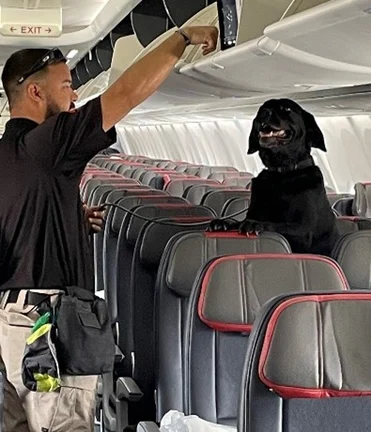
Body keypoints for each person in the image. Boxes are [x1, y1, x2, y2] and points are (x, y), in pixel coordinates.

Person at [0, 26, 218, 432]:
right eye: (66, 85)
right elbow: (124, 96)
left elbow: (15, 225)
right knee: (64, 424)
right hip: (46, 326)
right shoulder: (47, 144)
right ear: (34, 92)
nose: (74, 96)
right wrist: (180, 38)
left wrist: (67, 218)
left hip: (12, 325)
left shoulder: (8, 155)